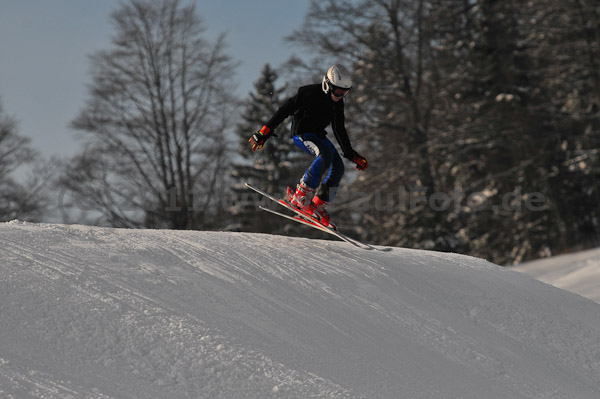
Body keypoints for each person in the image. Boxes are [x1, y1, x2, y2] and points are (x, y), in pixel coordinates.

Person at [249, 64, 368, 229]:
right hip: (302, 134)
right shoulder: (309, 93)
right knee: (324, 154)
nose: (340, 96)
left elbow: (339, 129)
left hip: (319, 136)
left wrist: (352, 155)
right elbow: (284, 110)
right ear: (327, 84)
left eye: (345, 92)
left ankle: (318, 205)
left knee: (338, 167)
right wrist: (264, 132)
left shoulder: (338, 104)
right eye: (338, 92)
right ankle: (300, 196)